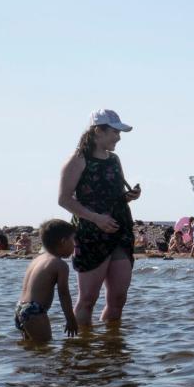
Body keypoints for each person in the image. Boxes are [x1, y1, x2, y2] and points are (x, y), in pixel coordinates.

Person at [58, 109, 140, 327]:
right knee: (87, 300)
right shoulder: (77, 159)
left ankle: (111, 350)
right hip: (91, 234)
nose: (119, 137)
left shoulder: (114, 159)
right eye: (115, 132)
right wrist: (96, 218)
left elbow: (112, 195)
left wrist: (129, 197)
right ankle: (83, 350)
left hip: (119, 231)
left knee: (118, 299)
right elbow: (64, 199)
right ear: (98, 131)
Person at [15, 219, 78, 343]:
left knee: (31, 348)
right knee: (45, 348)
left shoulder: (37, 260)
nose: (75, 245)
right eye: (73, 241)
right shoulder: (60, 265)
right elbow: (64, 294)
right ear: (63, 242)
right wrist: (71, 320)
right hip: (35, 311)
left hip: (20, 308)